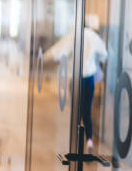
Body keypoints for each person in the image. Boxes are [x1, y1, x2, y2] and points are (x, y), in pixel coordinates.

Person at [44, 14, 108, 150]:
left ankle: (76, 141)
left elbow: (59, 50)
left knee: (76, 111)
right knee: (87, 110)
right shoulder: (95, 37)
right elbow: (104, 55)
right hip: (89, 79)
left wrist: (43, 57)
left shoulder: (75, 34)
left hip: (76, 79)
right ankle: (89, 140)